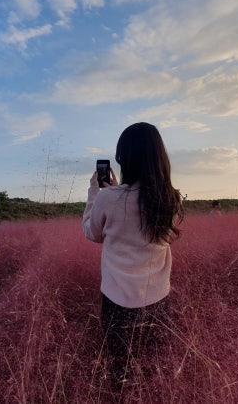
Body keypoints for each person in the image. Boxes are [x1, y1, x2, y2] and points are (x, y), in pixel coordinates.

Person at [82, 122, 184, 386]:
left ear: (123, 158)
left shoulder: (108, 198)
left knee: (120, 371)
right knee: (154, 369)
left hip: (117, 301)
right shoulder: (172, 199)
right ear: (159, 157)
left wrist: (96, 192)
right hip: (159, 299)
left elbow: (92, 234)